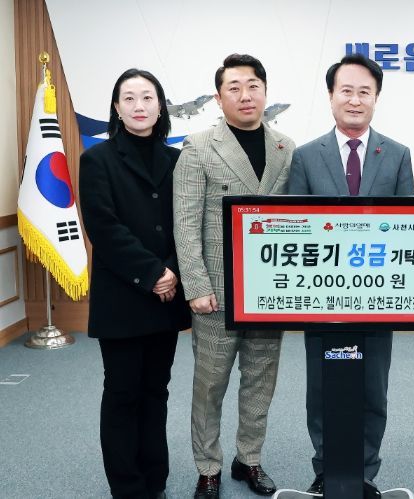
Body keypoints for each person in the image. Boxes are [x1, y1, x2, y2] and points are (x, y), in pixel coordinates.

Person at [288, 53, 414, 494]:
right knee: (322, 390)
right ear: (331, 96)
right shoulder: (306, 157)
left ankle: (365, 472)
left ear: (376, 98)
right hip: (320, 297)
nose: (355, 100)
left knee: (372, 391)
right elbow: (295, 230)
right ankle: (326, 469)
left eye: (365, 92)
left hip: (378, 297)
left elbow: (410, 229)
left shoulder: (397, 155)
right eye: (347, 91)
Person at [173, 54, 295, 498]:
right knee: (210, 385)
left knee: (260, 380)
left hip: (269, 292)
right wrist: (197, 287)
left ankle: (249, 459)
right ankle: (208, 466)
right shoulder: (198, 146)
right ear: (219, 97)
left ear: (265, 91)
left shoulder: (285, 147)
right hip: (216, 294)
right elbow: (185, 223)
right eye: (234, 88)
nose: (246, 95)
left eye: (253, 86)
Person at [79, 68, 191, 499]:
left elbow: (186, 225)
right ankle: (127, 488)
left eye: (147, 97)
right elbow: (103, 228)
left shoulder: (177, 160)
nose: (139, 106)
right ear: (116, 108)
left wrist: (172, 270)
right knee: (123, 393)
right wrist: (154, 274)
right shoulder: (97, 159)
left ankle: (154, 479)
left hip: (167, 297)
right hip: (123, 297)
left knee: (156, 392)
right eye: (129, 98)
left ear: (160, 106)